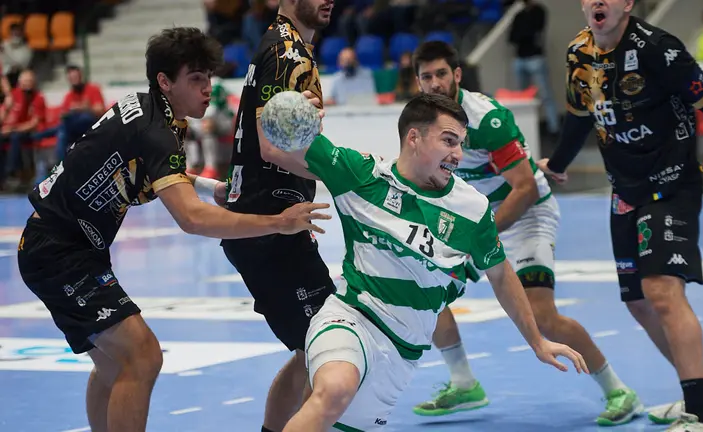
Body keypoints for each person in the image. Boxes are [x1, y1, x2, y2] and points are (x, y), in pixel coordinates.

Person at [15, 27, 330, 432]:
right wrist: (279, 223)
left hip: (63, 244)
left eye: (209, 78)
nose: (207, 89)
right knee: (142, 356)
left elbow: (141, 167)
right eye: (196, 79)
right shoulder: (157, 132)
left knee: (113, 364)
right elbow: (192, 219)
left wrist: (204, 185)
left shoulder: (146, 110)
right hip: (58, 251)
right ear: (165, 81)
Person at [278, 92, 588, 431]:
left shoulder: (472, 208)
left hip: (402, 354)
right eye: (449, 141)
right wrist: (296, 111)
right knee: (334, 389)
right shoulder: (362, 175)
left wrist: (537, 340)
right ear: (415, 137)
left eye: (460, 144)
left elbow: (500, 275)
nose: (458, 154)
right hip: (353, 317)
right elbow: (284, 140)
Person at [538, 1, 703, 430]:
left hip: (672, 183)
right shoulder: (578, 54)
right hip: (625, 191)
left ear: (627, 4)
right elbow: (579, 119)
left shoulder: (659, 49)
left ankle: (699, 418)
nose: (597, 2)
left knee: (661, 291)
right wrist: (559, 165)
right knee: (640, 304)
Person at [410, 40, 642, 426]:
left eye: (441, 74)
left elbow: (525, 188)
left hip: (526, 213)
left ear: (457, 75)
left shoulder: (486, 119)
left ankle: (619, 390)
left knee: (541, 315)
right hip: (475, 218)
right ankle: (464, 383)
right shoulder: (421, 122)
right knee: (424, 287)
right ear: (417, 82)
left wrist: (480, 239)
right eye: (426, 77)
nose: (434, 83)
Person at [220, 1, 335, 431]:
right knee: (331, 347)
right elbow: (273, 147)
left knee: (312, 351)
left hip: (272, 225)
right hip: (270, 226)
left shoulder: (284, 46)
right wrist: (348, 176)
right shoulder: (287, 52)